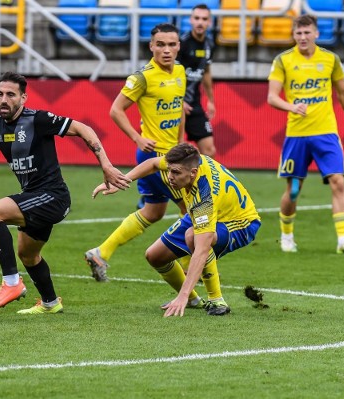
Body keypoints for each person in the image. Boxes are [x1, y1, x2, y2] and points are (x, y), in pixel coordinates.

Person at [0, 71, 130, 314]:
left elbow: (83, 128)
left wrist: (106, 164)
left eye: (10, 94)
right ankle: (50, 303)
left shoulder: (38, 120)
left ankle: (11, 283)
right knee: (28, 255)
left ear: (23, 98)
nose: (4, 100)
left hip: (53, 196)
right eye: (0, 94)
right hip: (33, 197)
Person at [92, 143, 261, 317]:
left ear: (193, 173)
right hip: (208, 212)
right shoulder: (185, 162)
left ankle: (216, 300)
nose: (169, 177)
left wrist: (182, 293)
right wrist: (120, 181)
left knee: (193, 236)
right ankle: (192, 300)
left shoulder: (204, 197)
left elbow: (202, 250)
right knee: (155, 256)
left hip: (240, 222)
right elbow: (153, 164)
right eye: (170, 171)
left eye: (176, 173)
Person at [84, 23, 188, 283]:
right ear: (151, 46)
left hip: (172, 155)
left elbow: (178, 112)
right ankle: (187, 267)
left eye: (171, 44)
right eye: (160, 45)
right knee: (194, 211)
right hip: (157, 158)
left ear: (178, 46)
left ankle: (101, 252)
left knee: (154, 212)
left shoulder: (181, 72)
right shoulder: (142, 77)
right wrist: (137, 137)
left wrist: (181, 143)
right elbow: (116, 110)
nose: (166, 50)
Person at [267, 14, 344, 255]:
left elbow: (343, 93)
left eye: (307, 32)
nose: (302, 37)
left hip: (326, 132)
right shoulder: (283, 60)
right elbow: (272, 97)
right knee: (293, 189)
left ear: (316, 34)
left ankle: (343, 240)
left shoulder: (330, 59)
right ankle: (287, 236)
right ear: (293, 35)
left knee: (338, 181)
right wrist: (291, 106)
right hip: (296, 134)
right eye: (298, 33)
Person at [178, 3, 217, 157]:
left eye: (204, 19)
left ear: (210, 22)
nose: (200, 22)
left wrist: (211, 100)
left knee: (209, 151)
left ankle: (201, 181)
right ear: (191, 20)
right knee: (176, 150)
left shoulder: (210, 44)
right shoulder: (181, 44)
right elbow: (170, 74)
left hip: (194, 104)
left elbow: (206, 72)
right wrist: (179, 101)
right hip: (176, 104)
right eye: (197, 18)